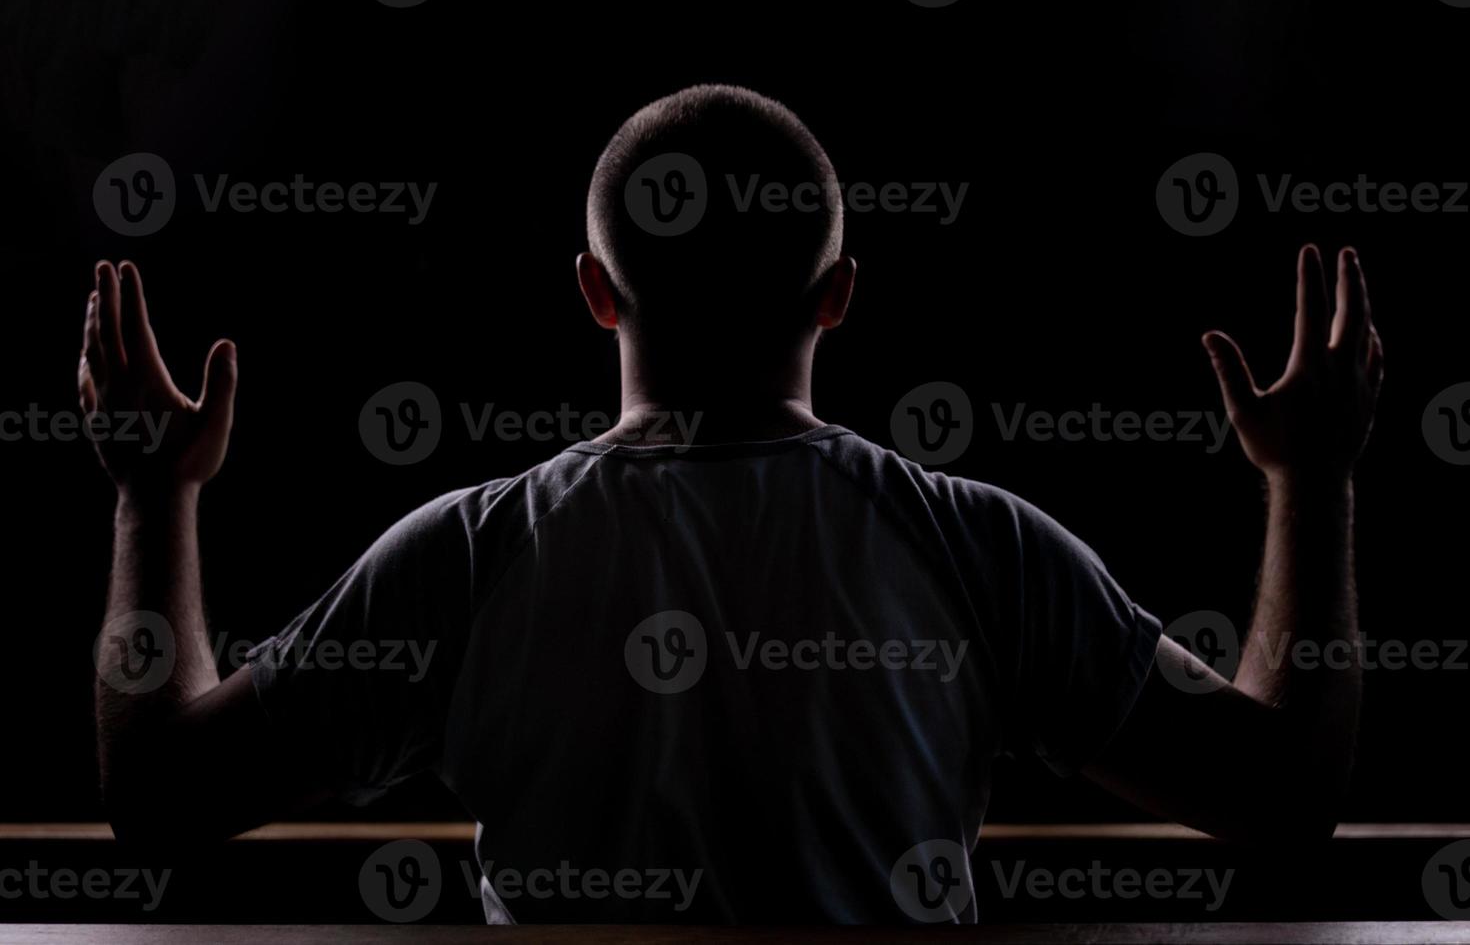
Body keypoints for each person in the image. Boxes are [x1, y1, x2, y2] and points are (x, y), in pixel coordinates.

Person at [83, 85, 1384, 923]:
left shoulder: (464, 560)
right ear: (838, 295)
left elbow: (159, 793)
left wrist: (154, 488)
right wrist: (1312, 476)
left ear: (594, 290)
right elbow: (1281, 796)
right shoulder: (982, 549)